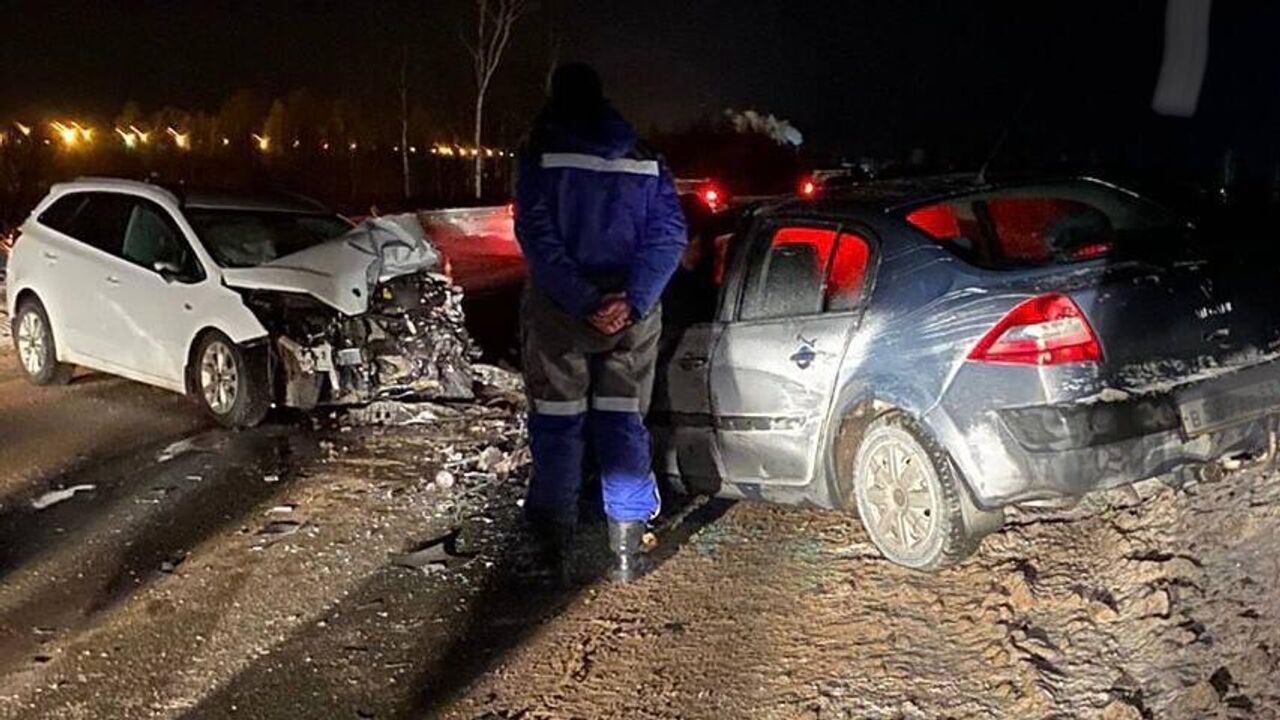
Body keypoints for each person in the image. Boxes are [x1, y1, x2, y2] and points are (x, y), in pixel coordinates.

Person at [515, 63, 687, 583]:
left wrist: (584, 299)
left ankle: (550, 554)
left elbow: (538, 236)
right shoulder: (646, 158)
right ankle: (627, 554)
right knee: (621, 421)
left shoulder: (540, 152)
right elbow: (670, 236)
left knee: (557, 423)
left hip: (560, 314)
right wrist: (631, 301)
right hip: (632, 319)